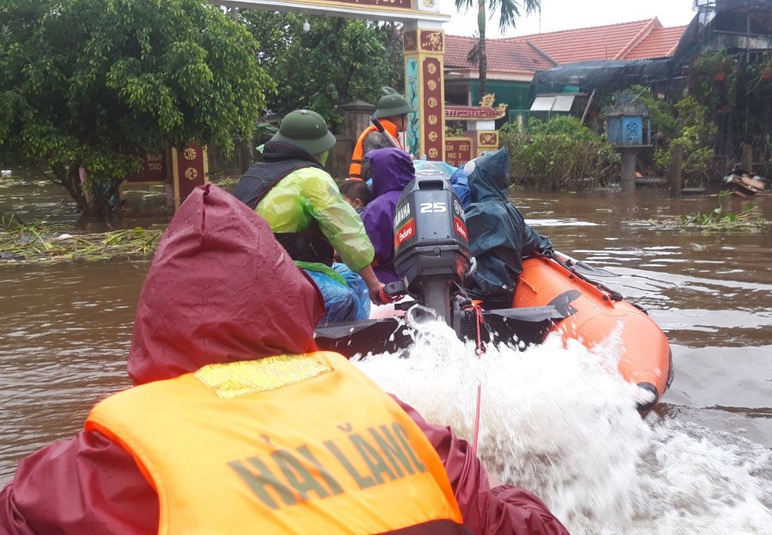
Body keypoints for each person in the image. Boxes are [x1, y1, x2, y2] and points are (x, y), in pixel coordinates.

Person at [0, 185, 569, 535]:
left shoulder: (90, 472)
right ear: (291, 303)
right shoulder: (408, 430)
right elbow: (518, 522)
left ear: (152, 325)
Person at [233, 109, 382, 323]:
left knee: (353, 278)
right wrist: (375, 284)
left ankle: (361, 334)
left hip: (257, 268)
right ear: (318, 149)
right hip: (276, 272)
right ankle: (340, 348)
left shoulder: (256, 171)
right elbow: (347, 233)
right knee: (343, 300)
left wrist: (366, 280)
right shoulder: (312, 178)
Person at [463, 148, 554, 309]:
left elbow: (453, 244)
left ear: (479, 179)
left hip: (480, 291)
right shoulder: (512, 212)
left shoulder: (479, 213)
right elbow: (536, 242)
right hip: (506, 293)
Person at [360, 147, 417, 285]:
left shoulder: (378, 207)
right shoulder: (423, 197)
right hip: (425, 278)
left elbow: (366, 257)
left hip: (389, 280)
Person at [349, 87, 414, 180]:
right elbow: (369, 173)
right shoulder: (375, 138)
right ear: (396, 116)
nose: (408, 119)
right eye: (406, 115)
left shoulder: (390, 136)